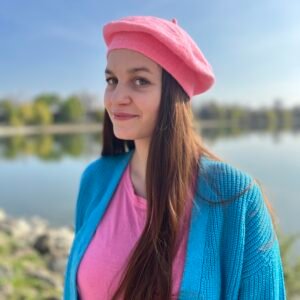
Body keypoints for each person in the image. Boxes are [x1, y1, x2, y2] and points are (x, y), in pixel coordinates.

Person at [63, 15, 286, 300]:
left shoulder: (234, 196)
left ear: (174, 95)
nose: (117, 96)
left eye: (140, 81)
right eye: (112, 80)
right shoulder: (95, 180)